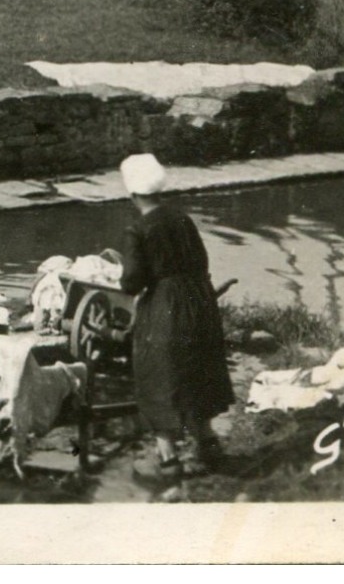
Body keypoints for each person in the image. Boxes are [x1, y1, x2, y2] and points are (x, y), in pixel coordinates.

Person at [118, 153, 234, 482]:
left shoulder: (137, 229)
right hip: (199, 301)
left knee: (160, 373)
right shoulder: (183, 219)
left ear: (132, 194)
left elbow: (131, 282)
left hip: (165, 307)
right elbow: (202, 261)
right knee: (198, 366)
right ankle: (208, 443)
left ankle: (168, 459)